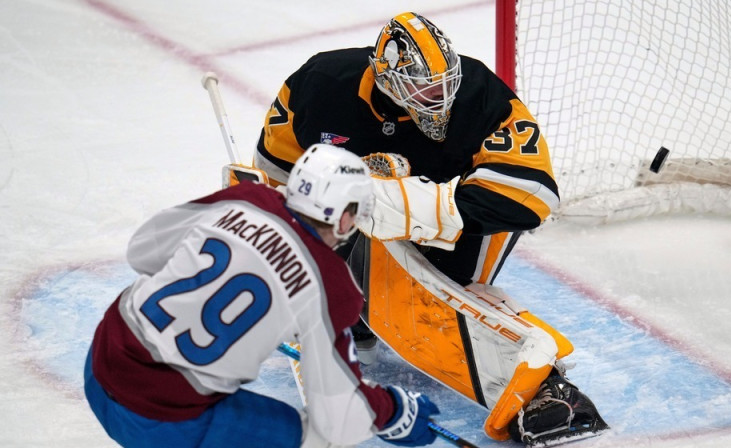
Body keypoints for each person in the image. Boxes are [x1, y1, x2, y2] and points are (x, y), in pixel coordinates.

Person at [251, 11, 607, 445]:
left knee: (436, 308)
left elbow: (534, 195)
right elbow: (275, 173)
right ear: (385, 79)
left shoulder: (479, 94)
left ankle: (546, 391)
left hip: (457, 228)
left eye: (444, 84)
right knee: (318, 234)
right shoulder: (322, 82)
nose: (440, 97)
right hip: (356, 220)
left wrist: (413, 205)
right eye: (424, 87)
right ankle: (356, 311)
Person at [83, 144, 441, 448]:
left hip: (98, 367)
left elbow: (142, 252)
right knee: (311, 435)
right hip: (164, 423)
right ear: (345, 219)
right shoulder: (332, 285)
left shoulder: (247, 198)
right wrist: (392, 410)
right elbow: (338, 416)